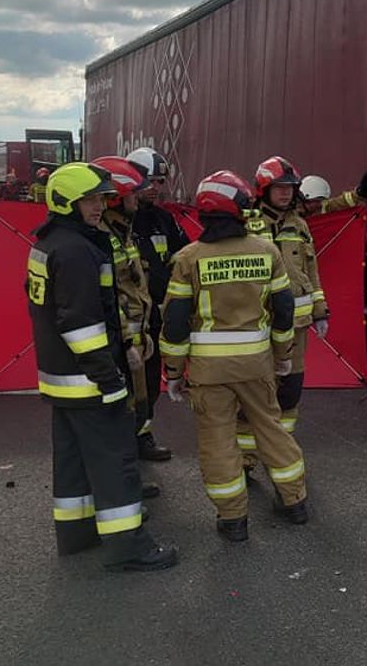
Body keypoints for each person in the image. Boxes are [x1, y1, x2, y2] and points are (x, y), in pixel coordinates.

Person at [27, 162, 177, 571]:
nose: (99, 206)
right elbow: (81, 325)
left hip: (62, 379)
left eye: (100, 198)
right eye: (90, 199)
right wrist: (109, 379)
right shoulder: (77, 252)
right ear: (67, 203)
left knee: (73, 461)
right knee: (116, 462)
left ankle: (76, 534)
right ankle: (129, 547)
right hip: (89, 380)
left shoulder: (51, 243)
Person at [160, 170, 307, 541]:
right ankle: (294, 502)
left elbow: (175, 323)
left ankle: (233, 520)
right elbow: (284, 309)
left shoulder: (187, 259)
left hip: (209, 375)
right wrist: (283, 354)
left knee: (217, 441)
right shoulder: (266, 251)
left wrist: (174, 373)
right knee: (272, 429)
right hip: (257, 366)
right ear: (240, 210)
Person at [240, 156, 327, 455]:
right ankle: (248, 455)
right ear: (263, 189)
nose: (286, 193)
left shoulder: (300, 225)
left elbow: (311, 269)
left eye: (290, 187)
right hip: (257, 324)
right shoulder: (245, 225)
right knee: (255, 390)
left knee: (290, 391)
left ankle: (282, 447)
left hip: (296, 327)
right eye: (279, 187)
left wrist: (320, 309)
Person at [91, 156, 161, 501]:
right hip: (120, 343)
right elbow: (108, 297)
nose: (140, 197)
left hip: (134, 336)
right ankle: (121, 490)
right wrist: (127, 340)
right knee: (119, 418)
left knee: (135, 411)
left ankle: (127, 480)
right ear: (118, 197)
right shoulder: (103, 238)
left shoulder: (121, 231)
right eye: (134, 192)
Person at [126, 146, 189, 461]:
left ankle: (142, 437)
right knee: (126, 386)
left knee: (150, 383)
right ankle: (123, 445)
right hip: (127, 322)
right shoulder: (120, 220)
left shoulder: (165, 220)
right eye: (149, 180)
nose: (155, 188)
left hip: (156, 318)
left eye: (160, 182)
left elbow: (187, 253)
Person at [298, 172, 367, 216]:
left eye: (320, 201)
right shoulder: (292, 213)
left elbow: (340, 203)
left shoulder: (324, 207)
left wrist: (359, 193)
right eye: (315, 201)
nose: (319, 204)